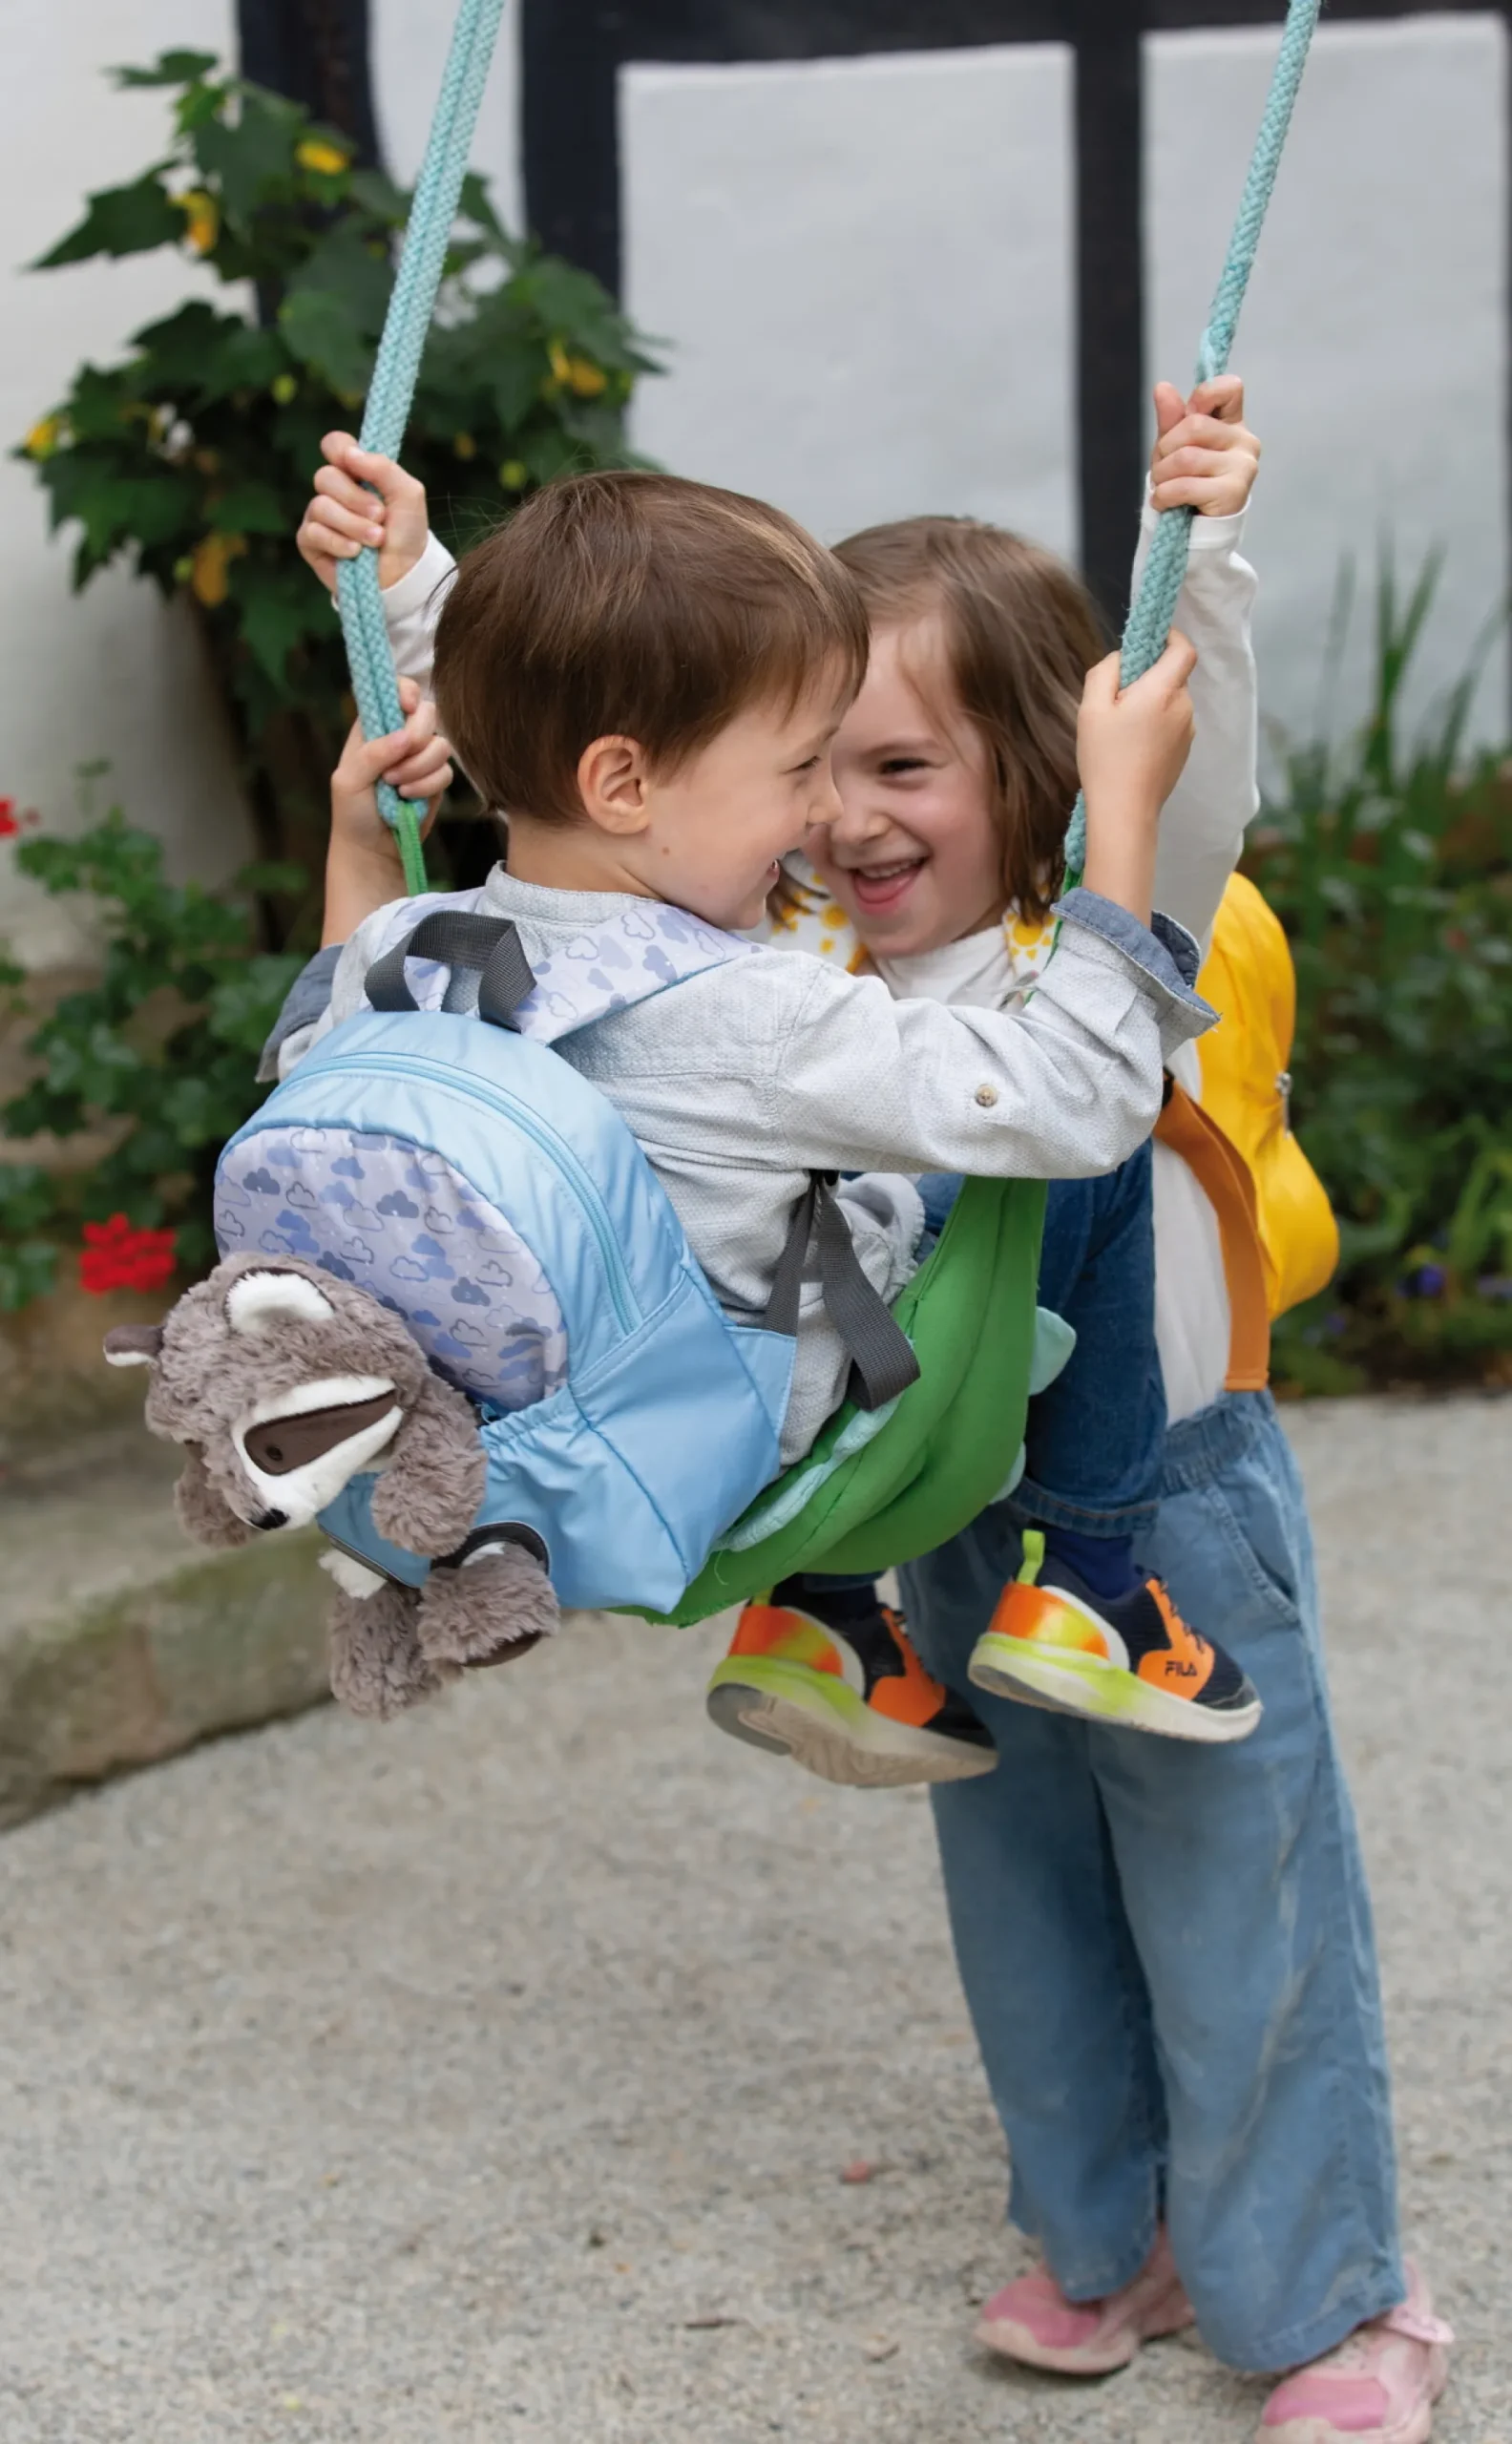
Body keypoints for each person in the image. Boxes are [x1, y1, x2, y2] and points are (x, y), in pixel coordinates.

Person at [291, 385, 1264, 1776]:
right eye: (806, 765)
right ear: (633, 786)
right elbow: (1075, 1092)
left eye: (886, 764)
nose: (826, 813)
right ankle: (1099, 1579)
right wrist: (1117, 813)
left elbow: (594, 724)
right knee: (1093, 1143)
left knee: (797, 1190)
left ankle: (826, 1626)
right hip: (802, 1428)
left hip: (562, 1427)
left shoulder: (424, 946)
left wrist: (380, 780)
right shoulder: (754, 996)